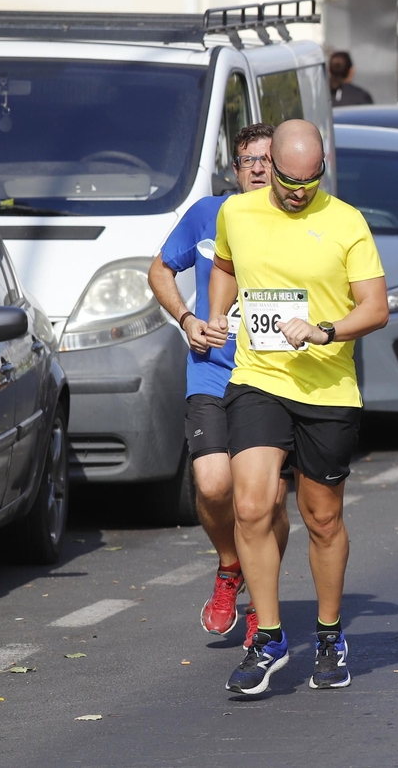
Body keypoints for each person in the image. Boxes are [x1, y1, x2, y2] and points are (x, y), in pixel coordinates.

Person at [207, 119, 389, 695]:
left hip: (327, 389)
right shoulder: (238, 212)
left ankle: (330, 633)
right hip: (259, 377)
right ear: (271, 167)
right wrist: (217, 314)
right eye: (287, 181)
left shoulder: (347, 222)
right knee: (252, 505)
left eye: (308, 184)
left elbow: (376, 307)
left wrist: (325, 330)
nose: (295, 193)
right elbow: (225, 266)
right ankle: (269, 638)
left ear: (322, 173)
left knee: (322, 517)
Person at [147, 124, 289, 643]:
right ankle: (231, 566)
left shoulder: (295, 219)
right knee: (212, 485)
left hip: (273, 376)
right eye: (248, 160)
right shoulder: (210, 215)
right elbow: (160, 269)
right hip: (212, 367)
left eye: (267, 160)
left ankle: (260, 596)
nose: (258, 168)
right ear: (235, 170)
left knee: (269, 500)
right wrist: (187, 319)